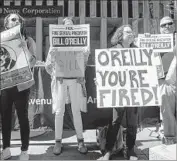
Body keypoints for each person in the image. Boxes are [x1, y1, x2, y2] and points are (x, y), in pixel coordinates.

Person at [45, 17, 90, 155]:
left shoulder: (81, 45)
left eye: (71, 26)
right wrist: (52, 59)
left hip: (75, 80)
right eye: (66, 26)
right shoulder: (55, 44)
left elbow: (84, 65)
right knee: (59, 112)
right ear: (62, 29)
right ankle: (57, 141)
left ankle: (80, 140)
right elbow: (47, 66)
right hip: (60, 80)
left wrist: (86, 55)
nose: (68, 29)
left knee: (76, 111)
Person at [97, 25, 138, 160]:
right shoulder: (112, 51)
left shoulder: (138, 51)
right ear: (120, 35)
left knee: (132, 122)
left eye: (132, 32)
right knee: (115, 121)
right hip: (118, 92)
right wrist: (100, 79)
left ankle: (130, 149)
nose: (131, 34)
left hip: (133, 92)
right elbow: (105, 70)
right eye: (128, 32)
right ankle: (108, 149)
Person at [0, 13, 36, 160]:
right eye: (13, 19)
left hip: (21, 84)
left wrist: (24, 48)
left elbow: (33, 61)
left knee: (22, 118)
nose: (16, 21)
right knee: (5, 117)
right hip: (5, 85)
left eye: (18, 20)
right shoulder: (1, 40)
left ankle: (24, 151)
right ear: (7, 23)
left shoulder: (28, 40)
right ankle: (6, 149)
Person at [158, 16, 177, 144]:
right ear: (160, 29)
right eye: (163, 25)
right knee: (167, 110)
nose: (167, 26)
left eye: (169, 23)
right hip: (165, 79)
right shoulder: (155, 41)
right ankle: (170, 137)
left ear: (174, 26)